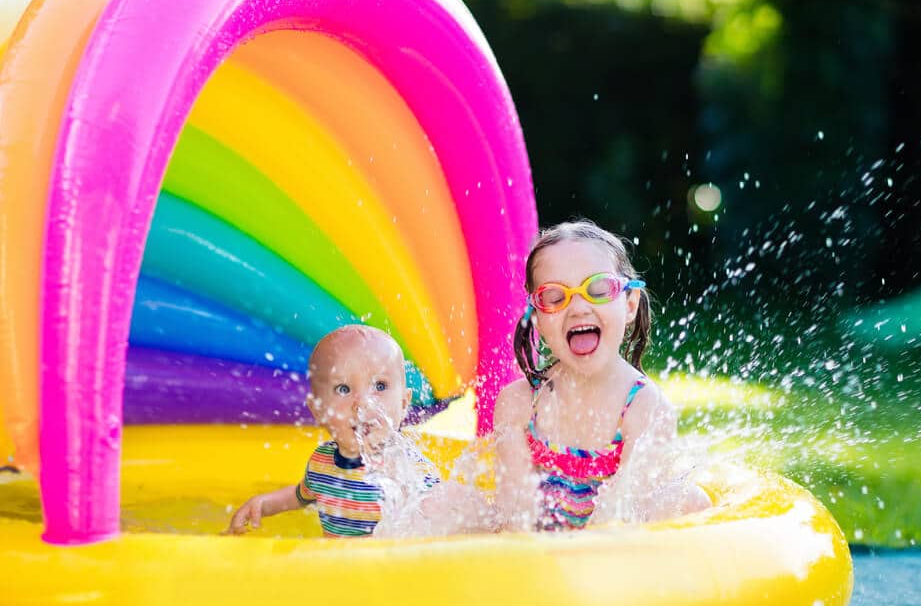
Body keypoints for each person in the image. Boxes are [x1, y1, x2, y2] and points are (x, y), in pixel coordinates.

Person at [493, 220, 712, 532]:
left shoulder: (643, 407)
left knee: (690, 501)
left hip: (614, 548)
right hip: (542, 542)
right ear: (538, 319)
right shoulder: (518, 404)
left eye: (598, 290)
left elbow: (619, 521)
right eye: (555, 298)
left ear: (630, 306)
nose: (579, 307)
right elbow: (515, 519)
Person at [226, 324, 490, 538]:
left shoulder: (409, 470)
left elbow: (435, 525)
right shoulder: (322, 462)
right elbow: (301, 495)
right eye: (343, 389)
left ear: (404, 402)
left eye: (380, 386)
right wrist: (264, 504)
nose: (363, 403)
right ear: (318, 410)